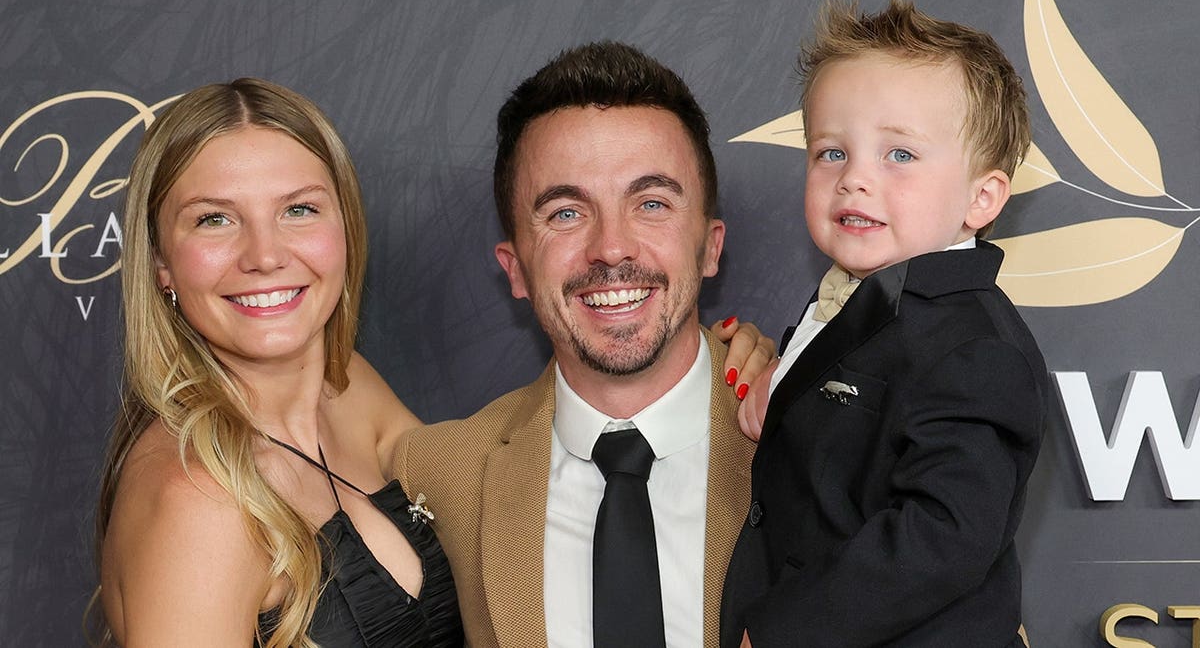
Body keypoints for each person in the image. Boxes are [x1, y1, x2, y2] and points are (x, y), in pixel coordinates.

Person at [392, 41, 769, 648]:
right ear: (514, 268)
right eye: (566, 213)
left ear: (711, 246)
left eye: (651, 203)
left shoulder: (812, 433)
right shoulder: (442, 473)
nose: (611, 248)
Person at [720, 0, 1049, 648]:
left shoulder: (975, 350)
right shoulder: (866, 293)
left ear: (982, 198)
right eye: (830, 153)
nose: (855, 180)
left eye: (899, 154)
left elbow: (940, 538)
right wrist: (785, 383)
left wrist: (791, 630)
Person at [94, 78, 463, 647]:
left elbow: (480, 485)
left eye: (299, 209)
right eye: (215, 219)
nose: (264, 256)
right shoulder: (197, 502)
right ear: (161, 262)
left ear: (346, 230)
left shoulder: (348, 388)